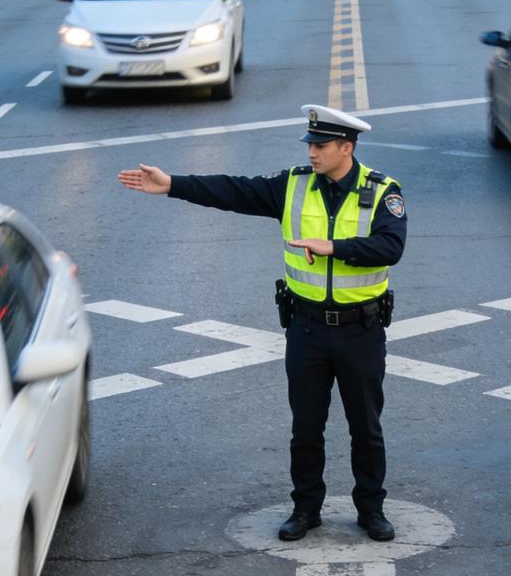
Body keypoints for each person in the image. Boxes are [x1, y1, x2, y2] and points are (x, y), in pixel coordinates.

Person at [118, 104, 408, 543]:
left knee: (365, 427)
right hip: (307, 329)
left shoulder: (383, 190)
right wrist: (172, 185)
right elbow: (234, 191)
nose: (311, 152)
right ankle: (306, 509)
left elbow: (391, 246)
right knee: (305, 427)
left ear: (346, 148)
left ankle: (371, 509)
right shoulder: (292, 185)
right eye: (310, 144)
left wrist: (332, 247)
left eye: (320, 145)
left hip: (360, 331)